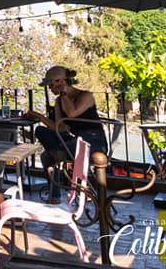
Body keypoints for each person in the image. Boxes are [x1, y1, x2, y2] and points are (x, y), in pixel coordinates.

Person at [24, 65, 109, 201]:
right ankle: (55, 195)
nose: (50, 89)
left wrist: (64, 93)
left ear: (61, 81)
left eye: (51, 85)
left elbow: (71, 113)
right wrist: (38, 116)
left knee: (68, 147)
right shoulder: (59, 101)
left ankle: (58, 153)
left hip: (92, 141)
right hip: (73, 141)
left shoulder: (85, 96)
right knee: (43, 142)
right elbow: (60, 127)